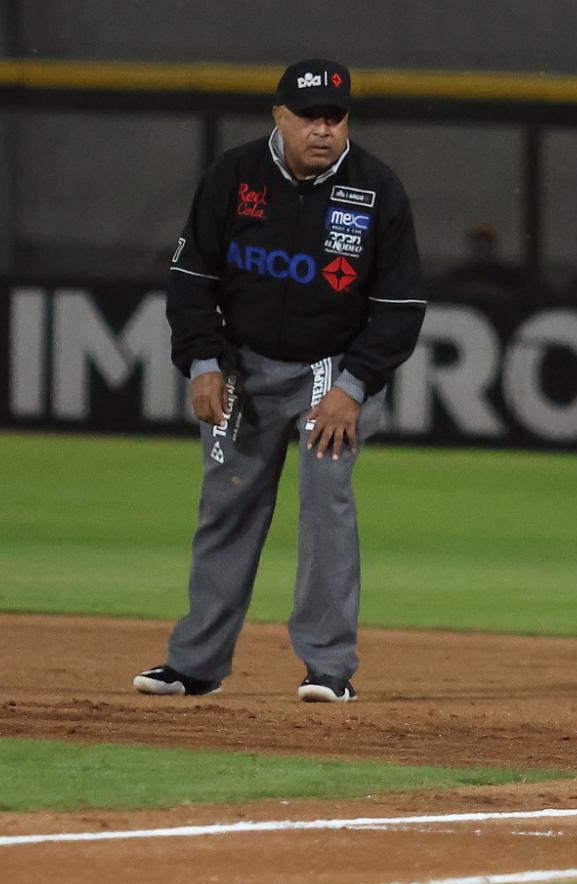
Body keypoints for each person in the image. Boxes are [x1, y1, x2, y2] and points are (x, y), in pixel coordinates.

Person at [134, 59, 426, 703]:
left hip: (332, 370)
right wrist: (203, 362)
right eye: (309, 117)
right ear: (279, 116)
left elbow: (400, 307)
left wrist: (355, 386)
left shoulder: (377, 188)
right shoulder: (234, 176)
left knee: (326, 507)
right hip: (242, 365)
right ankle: (195, 664)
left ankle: (327, 667)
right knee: (227, 505)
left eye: (335, 117)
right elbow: (192, 281)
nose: (323, 130)